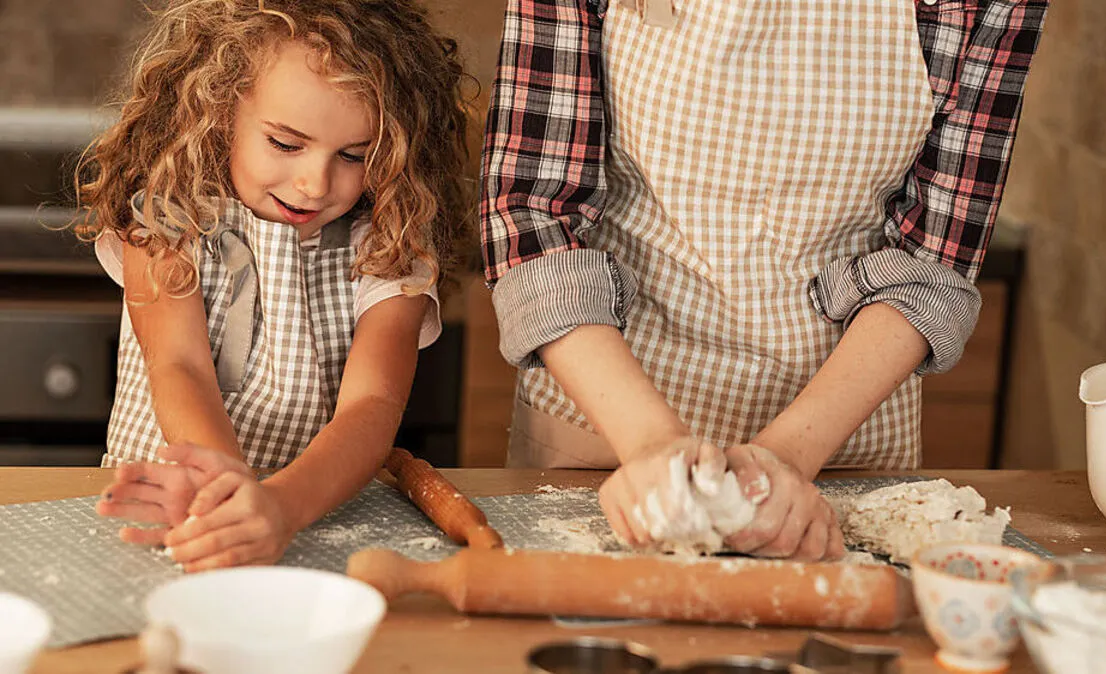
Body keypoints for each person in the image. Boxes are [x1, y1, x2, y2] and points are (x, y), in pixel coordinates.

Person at [480, 0, 1047, 560]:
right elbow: (534, 215)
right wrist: (650, 443)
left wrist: (790, 456)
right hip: (608, 436)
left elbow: (936, 255)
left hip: (840, 446)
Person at [71, 0, 473, 571]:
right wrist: (229, 497)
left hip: (311, 516)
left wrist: (279, 507)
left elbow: (372, 406)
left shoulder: (389, 246)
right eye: (286, 144)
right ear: (219, 111)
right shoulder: (167, 215)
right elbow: (178, 365)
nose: (314, 183)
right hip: (170, 510)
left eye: (355, 156)